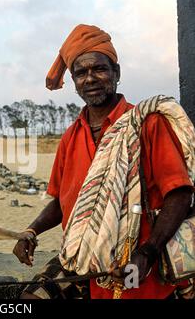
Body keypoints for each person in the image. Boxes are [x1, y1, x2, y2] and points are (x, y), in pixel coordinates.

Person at [13, 24, 195, 299]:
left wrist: (148, 252)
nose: (90, 79)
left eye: (98, 69)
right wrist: (31, 230)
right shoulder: (71, 137)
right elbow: (63, 203)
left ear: (116, 73)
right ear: (73, 81)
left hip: (137, 263)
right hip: (83, 260)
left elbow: (179, 193)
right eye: (81, 73)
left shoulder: (147, 124)